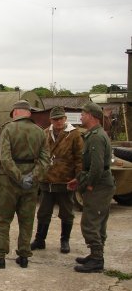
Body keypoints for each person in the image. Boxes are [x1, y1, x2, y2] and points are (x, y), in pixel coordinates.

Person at [0, 100, 49, 269]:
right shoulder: (40, 132)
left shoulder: (9, 129)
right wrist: (31, 177)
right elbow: (45, 160)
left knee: (1, 218)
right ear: (28, 113)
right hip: (31, 181)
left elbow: (5, 158)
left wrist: (19, 177)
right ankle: (24, 255)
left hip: (9, 181)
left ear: (16, 112)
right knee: (26, 219)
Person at [67, 102, 115, 273]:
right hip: (101, 183)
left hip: (99, 185)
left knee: (90, 222)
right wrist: (78, 180)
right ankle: (95, 254)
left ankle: (97, 259)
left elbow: (96, 167)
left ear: (92, 116)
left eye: (83, 114)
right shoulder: (96, 134)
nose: (81, 116)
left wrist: (89, 185)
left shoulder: (95, 137)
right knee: (98, 221)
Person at [31, 106, 83, 254]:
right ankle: (40, 240)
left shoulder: (74, 134)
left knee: (66, 213)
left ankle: (64, 240)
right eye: (55, 119)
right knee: (43, 212)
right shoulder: (45, 133)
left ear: (65, 119)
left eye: (61, 118)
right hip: (47, 180)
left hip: (65, 180)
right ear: (51, 120)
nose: (58, 121)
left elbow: (80, 158)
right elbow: (38, 155)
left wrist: (77, 177)